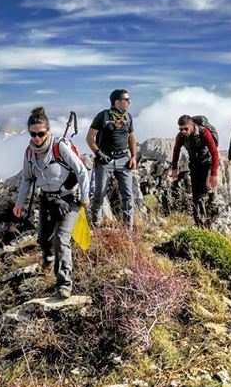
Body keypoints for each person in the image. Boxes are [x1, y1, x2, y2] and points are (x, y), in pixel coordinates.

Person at [13, 106, 90, 298]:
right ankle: (48, 258)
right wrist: (19, 203)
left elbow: (81, 171)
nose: (37, 138)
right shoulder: (29, 153)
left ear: (48, 131)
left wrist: (85, 197)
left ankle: (64, 283)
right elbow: (27, 179)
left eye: (41, 133)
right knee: (43, 238)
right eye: (33, 134)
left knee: (61, 239)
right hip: (46, 199)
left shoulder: (59, 147)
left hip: (68, 199)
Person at [86, 89, 138, 229]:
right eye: (126, 100)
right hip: (105, 161)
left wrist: (133, 156)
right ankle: (95, 225)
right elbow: (90, 138)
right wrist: (98, 153)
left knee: (128, 194)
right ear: (117, 102)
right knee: (99, 194)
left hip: (124, 160)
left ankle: (129, 228)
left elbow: (131, 137)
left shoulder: (128, 117)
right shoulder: (102, 116)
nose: (129, 102)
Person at [170, 115, 219, 227]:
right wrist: (174, 168)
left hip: (207, 163)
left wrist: (214, 173)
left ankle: (212, 210)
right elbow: (176, 150)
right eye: (180, 129)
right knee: (196, 194)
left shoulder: (204, 132)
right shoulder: (180, 136)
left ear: (192, 125)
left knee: (205, 188)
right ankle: (198, 221)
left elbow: (214, 152)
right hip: (194, 164)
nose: (183, 131)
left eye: (185, 128)